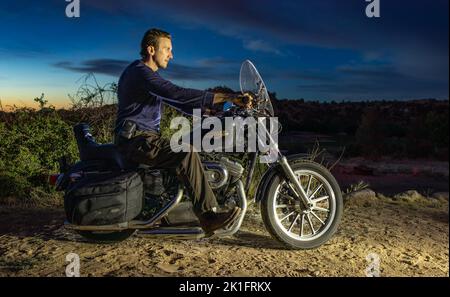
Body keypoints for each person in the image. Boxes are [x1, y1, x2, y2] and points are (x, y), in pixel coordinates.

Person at [114, 28, 251, 234]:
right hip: (137, 140)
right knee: (185, 152)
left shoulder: (145, 76)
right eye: (167, 49)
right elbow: (176, 93)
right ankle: (208, 216)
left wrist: (214, 111)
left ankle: (177, 206)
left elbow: (180, 104)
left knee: (191, 146)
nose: (171, 54)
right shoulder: (140, 72)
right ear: (152, 50)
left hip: (143, 138)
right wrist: (229, 97)